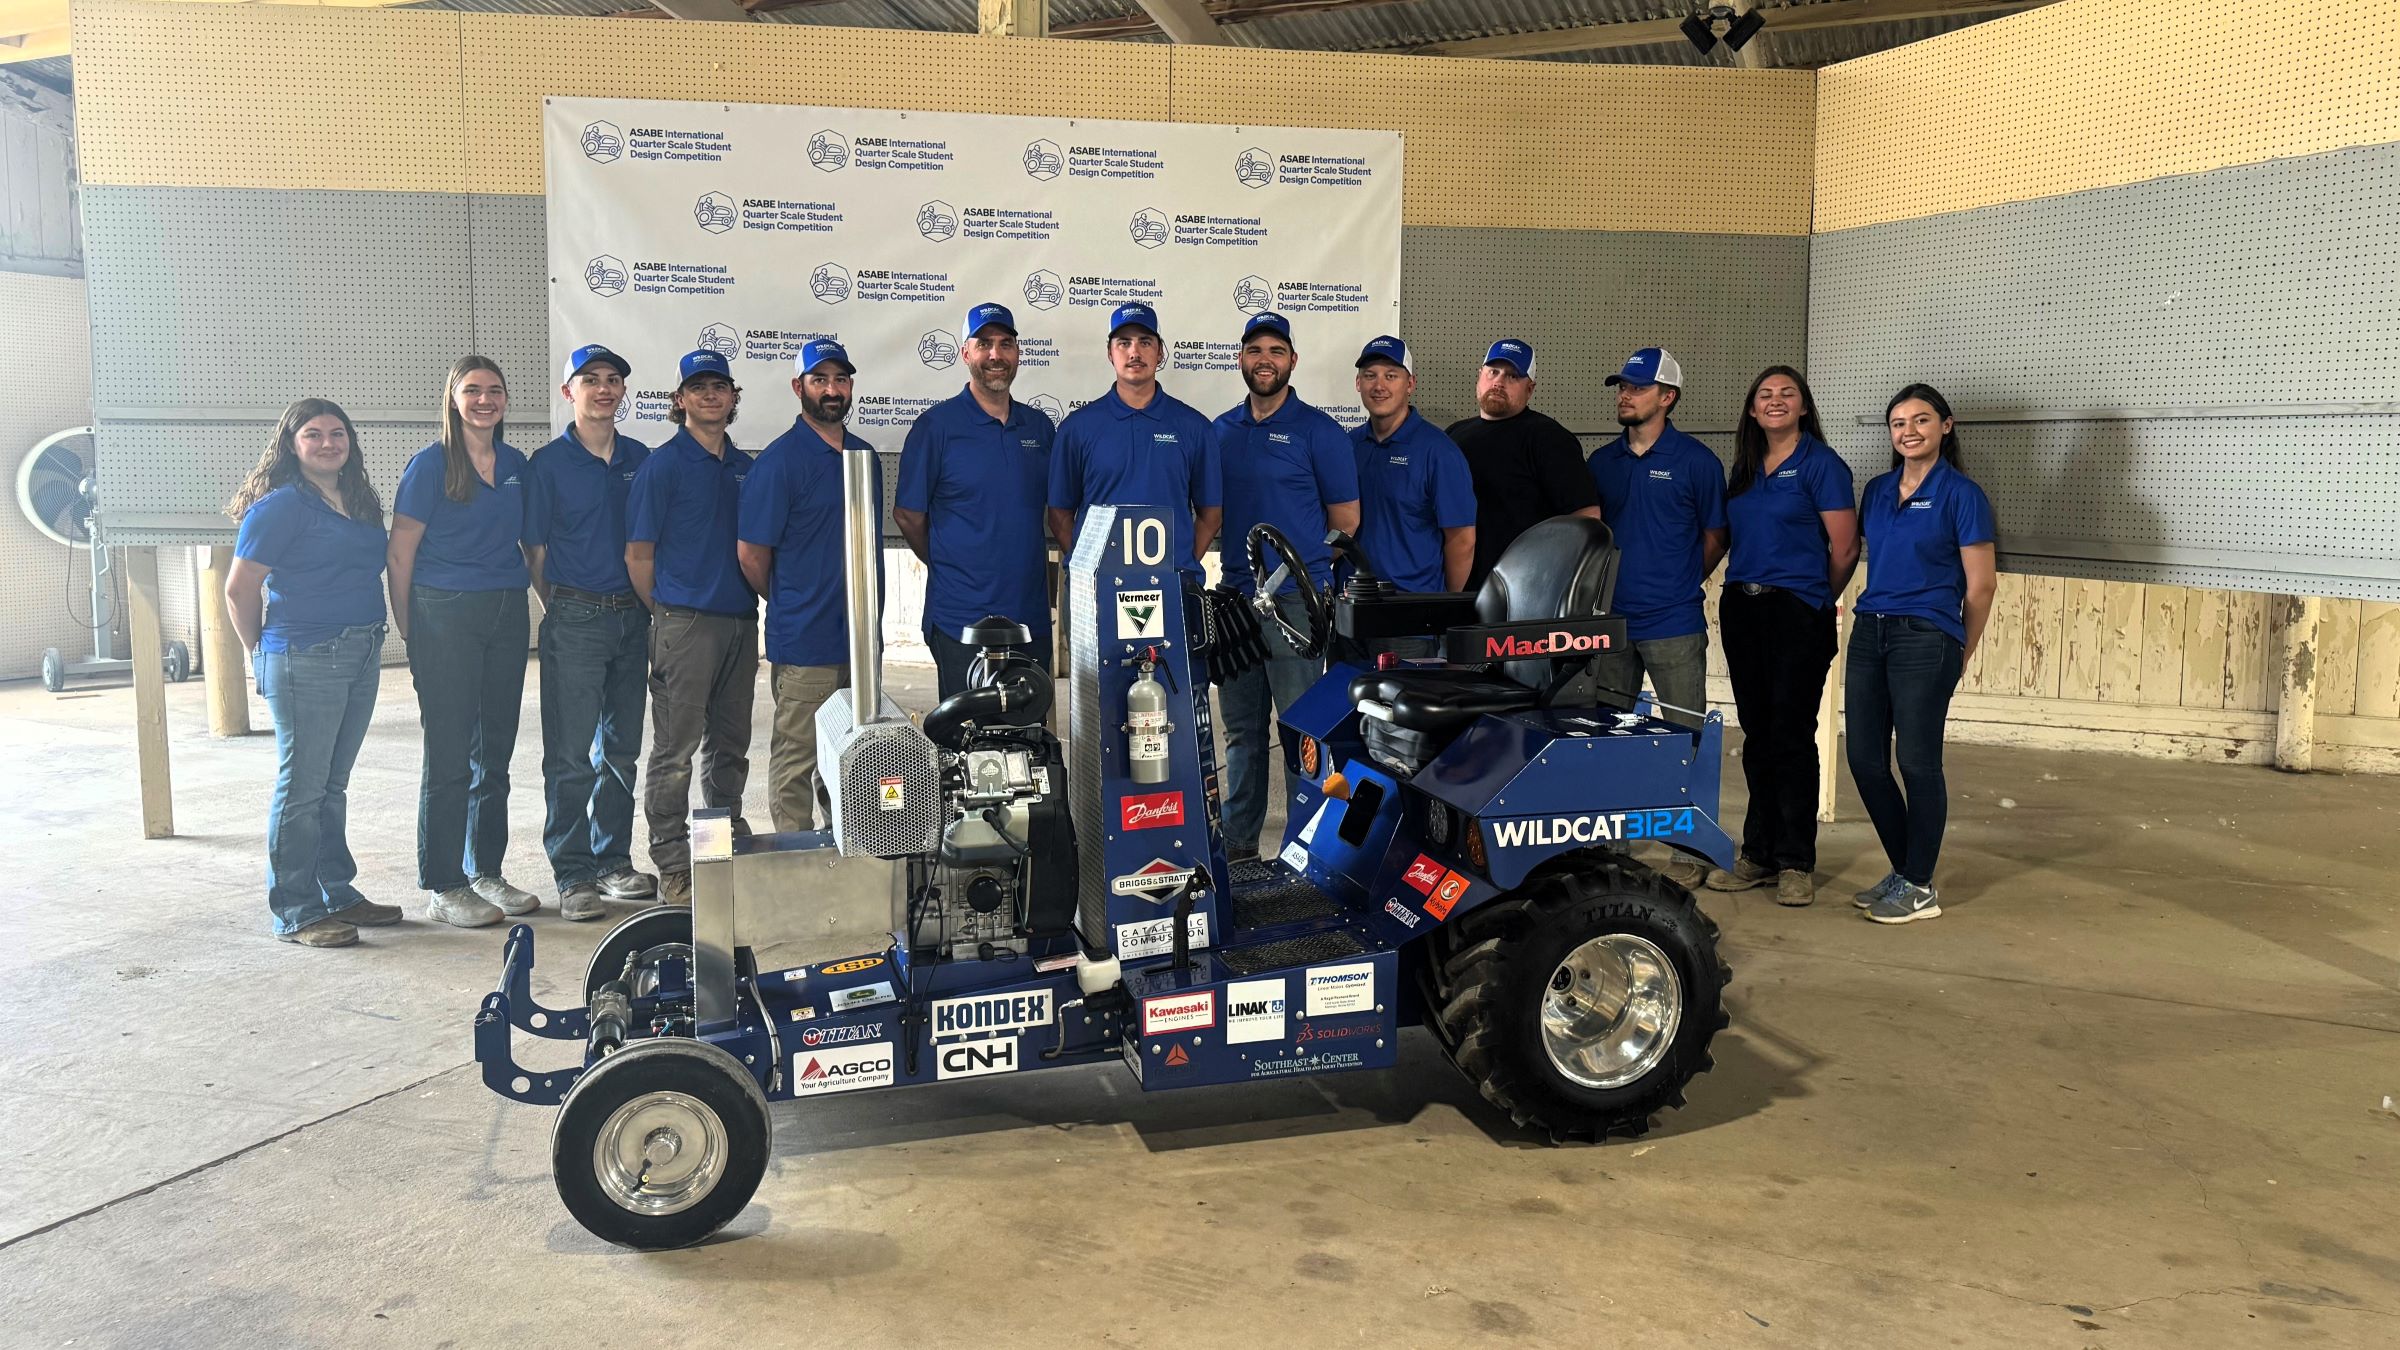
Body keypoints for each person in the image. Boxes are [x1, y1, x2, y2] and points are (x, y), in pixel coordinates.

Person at [224, 399, 394, 948]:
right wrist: (261, 653)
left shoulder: (358, 502)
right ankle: (295, 910)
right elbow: (239, 588)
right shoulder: (279, 507)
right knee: (302, 788)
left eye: (337, 433)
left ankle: (337, 892)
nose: (327, 443)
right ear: (291, 445)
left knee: (331, 785)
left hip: (363, 649)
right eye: (314, 434)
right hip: (304, 654)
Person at [389, 357, 538, 928]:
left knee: (494, 750)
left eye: (494, 390)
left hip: (505, 609)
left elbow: (528, 546)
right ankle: (444, 882)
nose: (484, 400)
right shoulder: (429, 466)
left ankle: (486, 871)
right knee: (449, 754)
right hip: (443, 611)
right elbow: (400, 554)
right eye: (472, 390)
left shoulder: (517, 465)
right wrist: (411, 631)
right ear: (452, 399)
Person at [1704, 367, 1858, 907]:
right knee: (1758, 734)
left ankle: (1796, 860)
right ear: (1751, 410)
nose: (1775, 401)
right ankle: (1758, 854)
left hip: (1797, 611)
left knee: (1791, 736)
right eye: (1765, 395)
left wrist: (1811, 598)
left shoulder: (1822, 465)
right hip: (1743, 607)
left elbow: (1844, 549)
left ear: (1804, 407)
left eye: (1786, 394)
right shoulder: (1745, 469)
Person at [1212, 311, 1359, 861]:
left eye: (1276, 350)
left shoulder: (1318, 431)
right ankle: (1239, 844)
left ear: (1292, 360)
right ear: (1242, 359)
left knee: (1302, 730)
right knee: (1242, 731)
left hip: (1295, 602)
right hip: (1235, 599)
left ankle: (1309, 842)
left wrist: (1303, 576)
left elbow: (1346, 519)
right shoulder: (1220, 432)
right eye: (1255, 350)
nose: (1264, 360)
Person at [1848, 384, 1997, 926]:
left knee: (1916, 762)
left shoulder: (1962, 495)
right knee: (1864, 760)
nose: (1908, 431)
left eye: (1921, 420)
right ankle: (1906, 870)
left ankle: (1919, 886)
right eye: (1898, 423)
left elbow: (1980, 587)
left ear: (1945, 427)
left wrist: (1961, 651)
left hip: (1926, 636)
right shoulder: (1878, 490)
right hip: (1870, 631)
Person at [524, 344, 655, 922]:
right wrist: (564, 604)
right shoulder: (546, 465)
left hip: (634, 616)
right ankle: (572, 871)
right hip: (575, 617)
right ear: (568, 393)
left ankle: (612, 860)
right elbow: (535, 549)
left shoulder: (641, 458)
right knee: (572, 755)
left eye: (613, 380)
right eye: (591, 379)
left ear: (623, 392)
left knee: (621, 751)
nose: (604, 389)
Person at [627, 349, 759, 905]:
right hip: (684, 624)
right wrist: (668, 615)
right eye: (697, 387)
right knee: (675, 750)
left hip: (740, 622)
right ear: (679, 400)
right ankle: (674, 863)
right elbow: (639, 555)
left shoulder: (745, 467)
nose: (710, 395)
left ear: (732, 399)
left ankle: (716, 844)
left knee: (730, 745)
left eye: (719, 386)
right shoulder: (663, 465)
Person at [896, 302, 1055, 698]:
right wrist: (950, 561)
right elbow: (908, 515)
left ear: (1018, 353)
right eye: (984, 344)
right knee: (968, 746)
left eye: (1005, 344)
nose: (995, 355)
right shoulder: (936, 428)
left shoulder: (1039, 428)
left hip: (1029, 619)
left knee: (1028, 744)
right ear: (966, 353)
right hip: (960, 620)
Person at [739, 340, 860, 833]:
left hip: (858, 646)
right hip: (805, 642)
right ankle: (795, 857)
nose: (831, 390)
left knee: (856, 761)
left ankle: (846, 849)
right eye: (819, 380)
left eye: (840, 380)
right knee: (797, 760)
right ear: (798, 387)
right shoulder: (778, 462)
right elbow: (752, 556)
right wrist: (793, 597)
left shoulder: (863, 457)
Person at [1587, 346, 1727, 733]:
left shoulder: (1698, 463)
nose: (1624, 395)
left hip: (1674, 624)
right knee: (1601, 738)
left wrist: (1678, 581)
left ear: (1668, 397)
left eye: (1638, 388)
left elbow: (1716, 535)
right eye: (1622, 387)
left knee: (1688, 741)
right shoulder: (1600, 463)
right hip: (1611, 622)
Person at [1045, 301, 1221, 577]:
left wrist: (1179, 565)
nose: (1134, 352)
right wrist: (1091, 565)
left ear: (1160, 351)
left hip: (1172, 589)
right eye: (1123, 343)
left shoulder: (1194, 427)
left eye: (1145, 342)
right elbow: (1059, 515)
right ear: (1109, 353)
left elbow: (1211, 515)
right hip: (1097, 589)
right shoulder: (1077, 428)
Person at [1349, 336, 1475, 657]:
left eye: (1391, 375)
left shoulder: (1438, 452)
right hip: (1351, 612)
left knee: (1402, 706)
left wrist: (1440, 606)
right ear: (1358, 383)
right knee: (1348, 706)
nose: (1379, 385)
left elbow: (1461, 539)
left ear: (1410, 384)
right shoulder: (1346, 446)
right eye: (1370, 375)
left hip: (1408, 618)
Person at [1444, 339, 1599, 588]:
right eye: (1493, 372)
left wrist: (1559, 586)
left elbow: (1587, 520)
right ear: (1480, 376)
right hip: (1462, 588)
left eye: (1513, 376)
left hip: (1524, 590)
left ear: (1530, 388)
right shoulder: (1454, 434)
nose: (1499, 382)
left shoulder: (1549, 438)